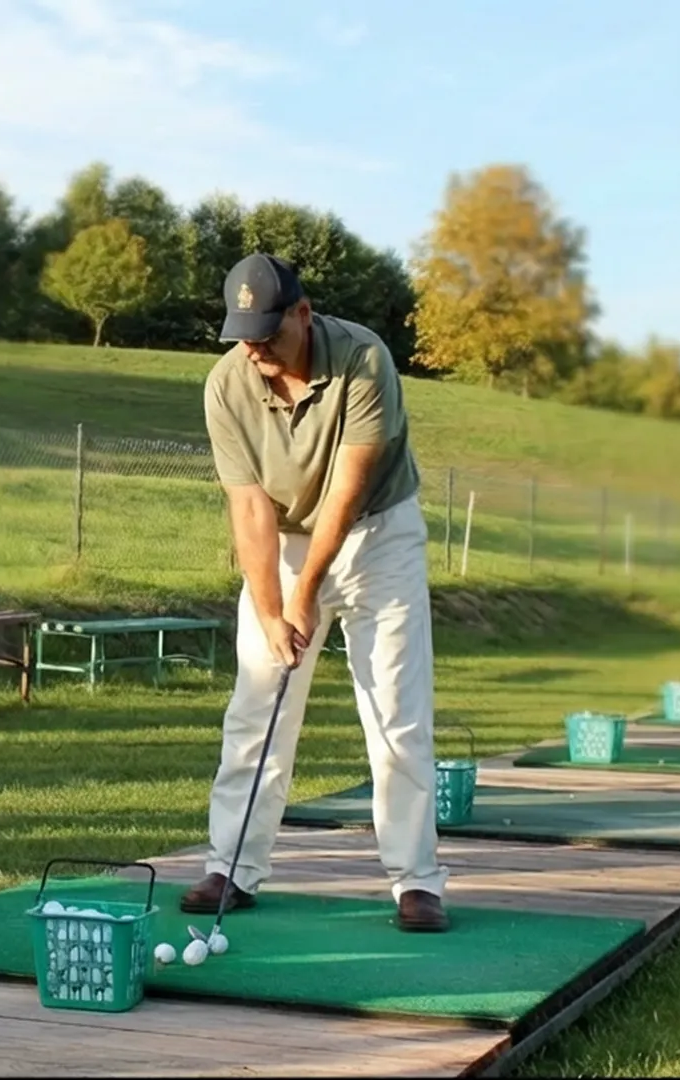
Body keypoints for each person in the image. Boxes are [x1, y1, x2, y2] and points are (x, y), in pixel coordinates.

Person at [183, 252, 450, 933]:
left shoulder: (364, 359)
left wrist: (306, 597)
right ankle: (232, 867)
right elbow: (249, 509)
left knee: (394, 707)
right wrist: (274, 609)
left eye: (267, 331)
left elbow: (346, 489)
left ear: (302, 314)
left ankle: (415, 881)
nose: (253, 346)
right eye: (242, 332)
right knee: (257, 701)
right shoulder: (226, 386)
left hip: (376, 532)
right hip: (284, 541)